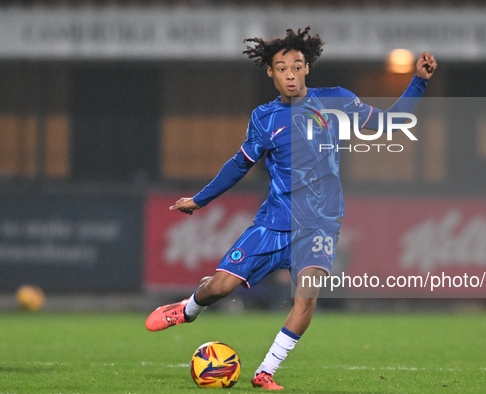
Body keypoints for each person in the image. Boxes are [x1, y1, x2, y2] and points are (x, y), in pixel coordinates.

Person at [146, 27, 437, 390]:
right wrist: (200, 199)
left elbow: (390, 125)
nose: (290, 74)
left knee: (306, 299)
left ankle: (264, 372)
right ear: (270, 72)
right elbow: (240, 164)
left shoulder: (336, 101)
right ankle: (188, 310)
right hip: (274, 222)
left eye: (296, 67)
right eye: (282, 68)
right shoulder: (264, 118)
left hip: (319, 225)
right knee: (219, 287)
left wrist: (419, 83)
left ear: (306, 69)